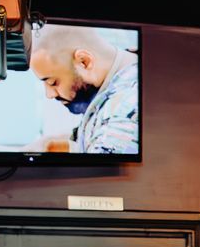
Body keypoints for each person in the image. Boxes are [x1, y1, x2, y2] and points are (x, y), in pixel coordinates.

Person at [27, 25, 140, 154]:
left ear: (84, 61)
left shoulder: (122, 116)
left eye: (53, 82)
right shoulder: (130, 69)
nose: (49, 94)